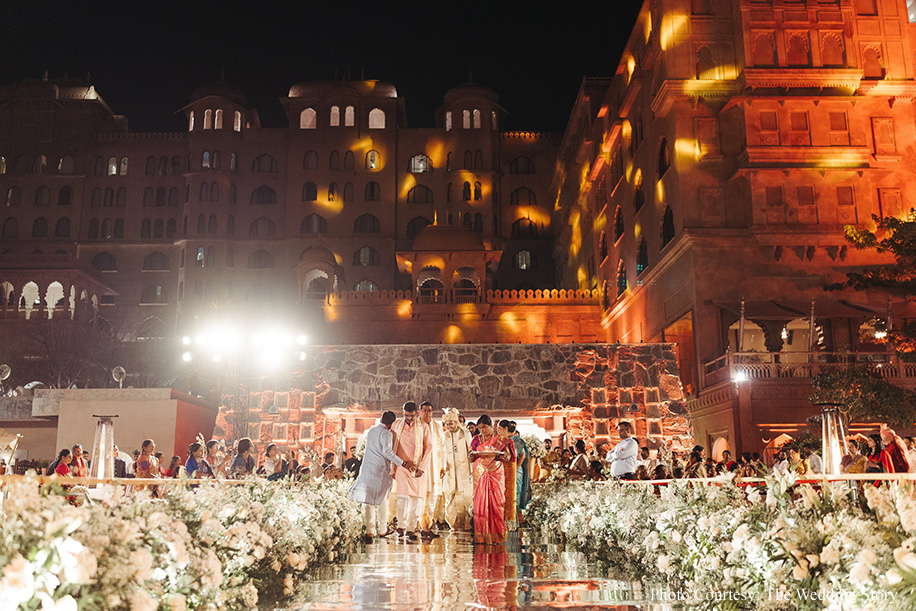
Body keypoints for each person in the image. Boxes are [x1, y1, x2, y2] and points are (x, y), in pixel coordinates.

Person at [349, 411, 416, 542]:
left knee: (368, 500)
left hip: (367, 468)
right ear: (391, 423)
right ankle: (382, 530)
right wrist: (403, 463)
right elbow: (387, 452)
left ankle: (370, 531)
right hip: (379, 470)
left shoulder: (372, 430)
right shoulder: (387, 433)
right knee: (382, 500)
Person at [470, 415, 514, 545]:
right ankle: (482, 536)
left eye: (484, 427)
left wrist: (504, 455)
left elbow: (508, 457)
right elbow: (471, 456)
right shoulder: (475, 439)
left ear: (490, 426)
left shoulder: (500, 440)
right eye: (480, 428)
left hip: (496, 471)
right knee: (480, 503)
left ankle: (497, 535)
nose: (482, 430)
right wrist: (471, 455)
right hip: (480, 471)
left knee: (497, 502)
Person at [392, 402, 432, 541]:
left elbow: (429, 448)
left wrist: (421, 467)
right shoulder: (396, 425)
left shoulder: (423, 427)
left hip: (417, 468)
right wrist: (395, 465)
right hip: (402, 467)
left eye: (411, 415)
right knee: (402, 498)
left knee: (416, 499)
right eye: (406, 415)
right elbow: (391, 446)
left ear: (416, 413)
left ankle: (410, 528)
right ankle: (401, 526)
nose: (408, 418)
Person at [440, 408, 473, 530]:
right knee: (451, 495)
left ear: (456, 422)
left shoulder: (465, 433)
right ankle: (453, 523)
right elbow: (441, 453)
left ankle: (467, 522)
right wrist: (442, 467)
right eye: (447, 424)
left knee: (466, 496)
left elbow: (470, 450)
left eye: (451, 423)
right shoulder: (444, 436)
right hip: (450, 470)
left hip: (463, 469)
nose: (449, 426)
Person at [419, 401, 443, 538]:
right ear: (420, 412)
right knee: (419, 497)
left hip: (434, 465)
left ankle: (427, 526)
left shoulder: (437, 426)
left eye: (430, 410)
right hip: (420, 466)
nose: (427, 413)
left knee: (433, 495)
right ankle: (419, 526)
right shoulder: (416, 426)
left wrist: (443, 466)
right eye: (425, 410)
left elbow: (443, 447)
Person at [495, 420, 518, 530]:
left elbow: (510, 456)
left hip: (508, 469)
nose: (498, 431)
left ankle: (507, 520)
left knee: (508, 493)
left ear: (505, 429)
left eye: (500, 429)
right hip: (499, 469)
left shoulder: (508, 441)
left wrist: (504, 456)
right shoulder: (498, 440)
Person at [508, 422, 530, 523]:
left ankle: (515, 519)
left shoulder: (517, 440)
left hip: (516, 470)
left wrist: (515, 468)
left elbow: (523, 455)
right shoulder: (504, 440)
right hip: (509, 470)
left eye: (500, 429)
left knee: (515, 493)